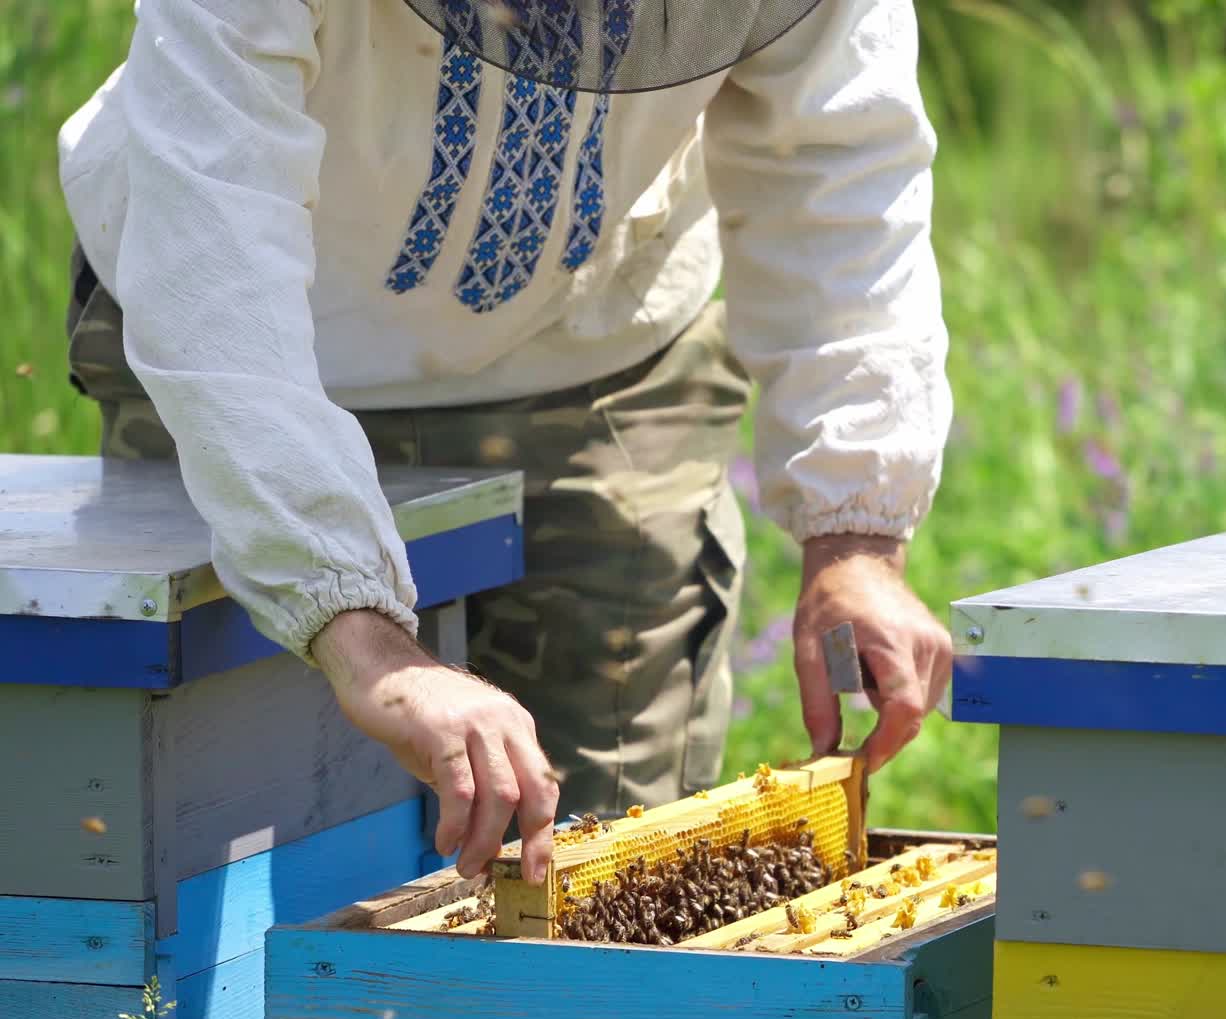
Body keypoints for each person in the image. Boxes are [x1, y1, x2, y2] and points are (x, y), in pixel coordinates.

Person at [58, 0, 953, 888]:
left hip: (596, 341)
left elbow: (839, 160)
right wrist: (358, 635)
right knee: (244, 839)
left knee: (605, 856)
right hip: (240, 340)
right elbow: (214, 271)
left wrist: (856, 531)